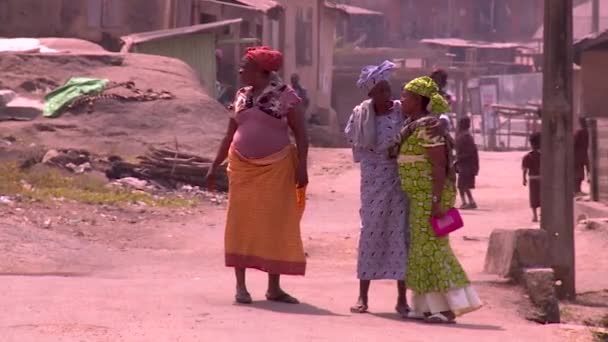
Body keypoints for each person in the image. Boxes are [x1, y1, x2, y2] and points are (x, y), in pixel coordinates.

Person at [206, 46, 309, 305]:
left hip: (276, 167)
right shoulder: (241, 96)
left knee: (274, 223)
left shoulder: (287, 96)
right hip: (241, 166)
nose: (240, 71)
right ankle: (241, 287)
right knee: (240, 223)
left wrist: (302, 166)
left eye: (245, 67)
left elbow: (301, 133)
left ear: (263, 72)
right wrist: (214, 164)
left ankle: (274, 288)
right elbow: (229, 134)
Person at [395, 76, 482, 324]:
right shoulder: (414, 124)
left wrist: (435, 200)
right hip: (417, 198)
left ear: (419, 101)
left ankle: (447, 309)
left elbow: (439, 165)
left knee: (434, 251)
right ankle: (427, 307)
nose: (402, 100)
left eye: (406, 97)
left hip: (428, 198)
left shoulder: (428, 128)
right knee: (422, 251)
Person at [345, 61, 410, 316]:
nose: (386, 95)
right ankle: (363, 297)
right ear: (370, 94)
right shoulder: (360, 114)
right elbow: (353, 138)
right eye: (380, 91)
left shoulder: (400, 112)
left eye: (388, 89)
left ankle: (402, 299)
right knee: (370, 233)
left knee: (400, 235)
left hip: (398, 181)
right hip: (372, 183)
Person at [455, 117, 479, 209]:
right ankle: (470, 201)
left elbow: (469, 152)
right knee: (464, 185)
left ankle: (466, 202)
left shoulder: (465, 137)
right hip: (465, 164)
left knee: (462, 185)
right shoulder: (464, 136)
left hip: (466, 164)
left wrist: (458, 158)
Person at [523, 133, 541, 223]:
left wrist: (524, 179)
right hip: (542, 179)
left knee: (533, 198)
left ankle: (535, 216)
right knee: (542, 197)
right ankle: (542, 214)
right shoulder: (544, 155)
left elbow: (525, 170)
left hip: (532, 179)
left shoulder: (527, 156)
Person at [574, 117, 590, 195]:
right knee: (581, 173)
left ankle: (577, 190)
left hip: (578, 155)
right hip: (583, 154)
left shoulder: (579, 132)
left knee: (578, 173)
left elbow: (574, 143)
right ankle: (577, 190)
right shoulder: (586, 132)